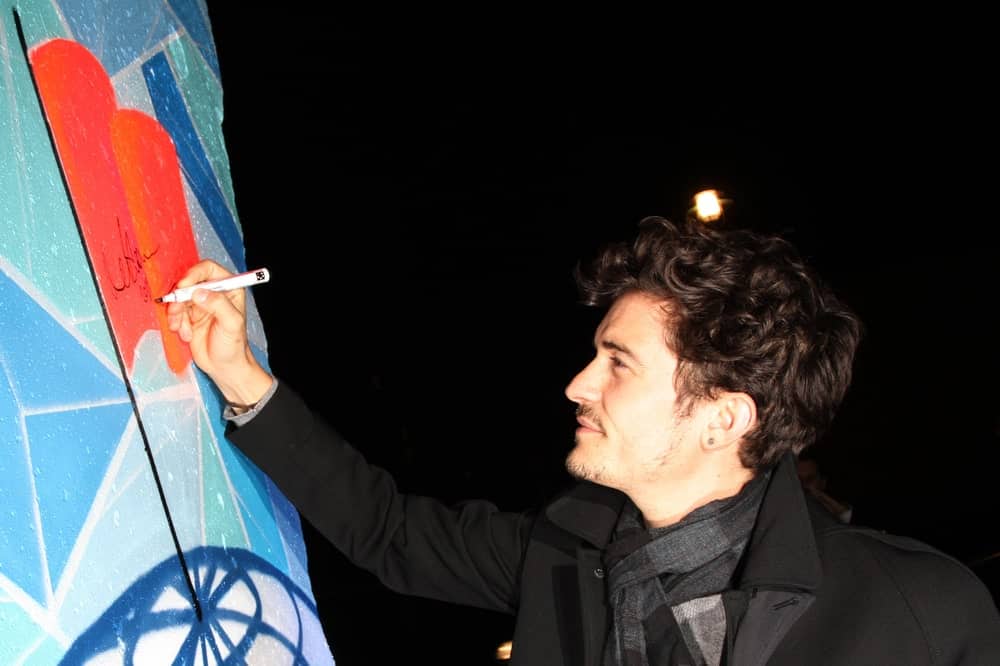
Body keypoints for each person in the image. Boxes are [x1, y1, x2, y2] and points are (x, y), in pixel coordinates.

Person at [166, 215, 1000, 665]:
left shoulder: (917, 615)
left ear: (724, 416)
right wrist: (241, 376)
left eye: (618, 363)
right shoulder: (565, 549)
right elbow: (390, 533)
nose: (577, 384)